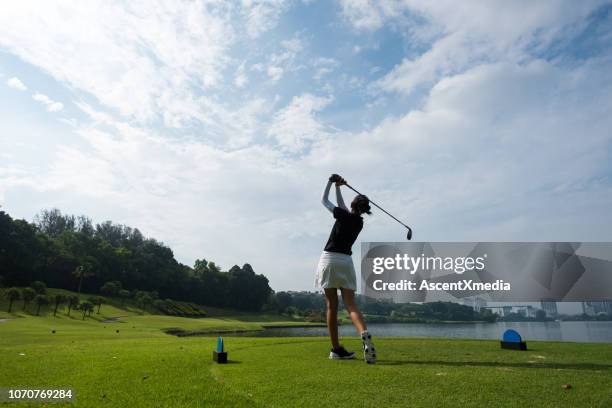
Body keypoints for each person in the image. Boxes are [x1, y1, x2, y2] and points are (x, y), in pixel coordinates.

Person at [316, 173, 376, 364]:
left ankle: (336, 350)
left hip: (329, 260)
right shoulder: (359, 222)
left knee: (332, 306)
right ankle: (363, 333)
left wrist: (330, 181)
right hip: (346, 262)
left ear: (353, 204)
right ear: (364, 209)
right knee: (351, 304)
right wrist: (338, 187)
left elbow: (323, 201)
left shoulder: (343, 215)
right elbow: (343, 209)